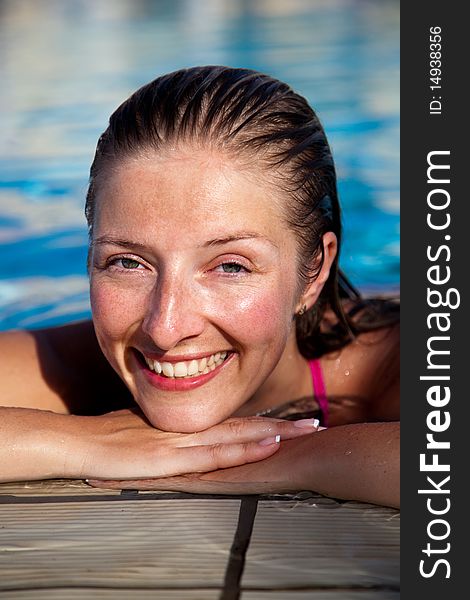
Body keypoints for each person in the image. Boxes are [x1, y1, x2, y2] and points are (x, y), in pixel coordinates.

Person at [0, 66, 399, 508]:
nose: (166, 328)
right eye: (127, 262)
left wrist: (301, 456)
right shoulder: (78, 366)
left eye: (230, 267)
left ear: (315, 271)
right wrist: (85, 442)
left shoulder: (386, 366)